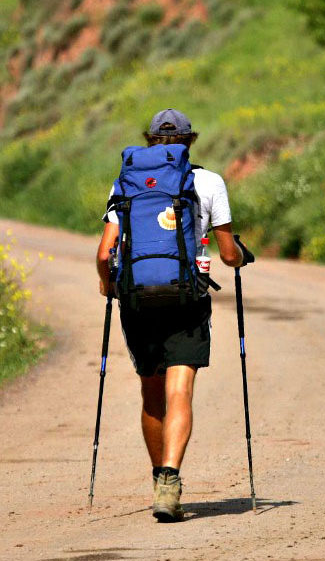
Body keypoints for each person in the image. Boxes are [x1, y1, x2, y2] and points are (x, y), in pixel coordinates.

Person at [96, 108, 249, 522]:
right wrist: (239, 257)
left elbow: (104, 252)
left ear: (149, 141)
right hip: (186, 298)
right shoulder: (209, 181)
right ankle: (171, 478)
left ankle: (156, 480)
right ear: (189, 141)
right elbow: (229, 253)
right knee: (179, 391)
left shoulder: (127, 181)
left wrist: (107, 284)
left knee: (151, 394)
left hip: (138, 300)